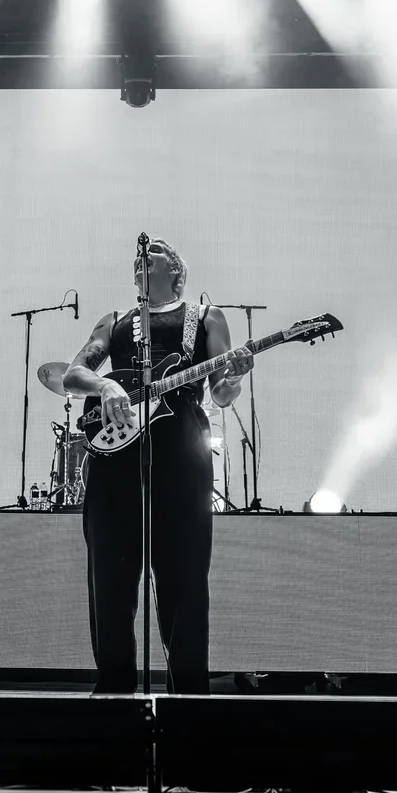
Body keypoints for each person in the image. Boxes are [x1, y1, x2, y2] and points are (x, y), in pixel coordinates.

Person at [62, 238, 252, 694]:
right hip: (115, 454)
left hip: (182, 448)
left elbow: (220, 394)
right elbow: (73, 374)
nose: (145, 257)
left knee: (184, 577)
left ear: (177, 270)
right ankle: (114, 690)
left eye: (158, 252)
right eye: (141, 258)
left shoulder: (206, 318)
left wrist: (236, 375)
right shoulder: (114, 322)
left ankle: (188, 697)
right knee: (109, 575)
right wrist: (105, 386)